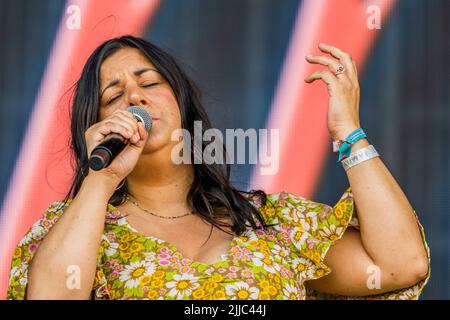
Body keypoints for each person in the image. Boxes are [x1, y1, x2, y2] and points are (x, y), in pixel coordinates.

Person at [7, 36, 430, 300]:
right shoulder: (76, 229)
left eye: (150, 83)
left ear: (183, 106)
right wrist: (101, 182)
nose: (135, 96)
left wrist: (348, 132)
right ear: (95, 125)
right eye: (114, 95)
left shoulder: (272, 222)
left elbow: (401, 264)